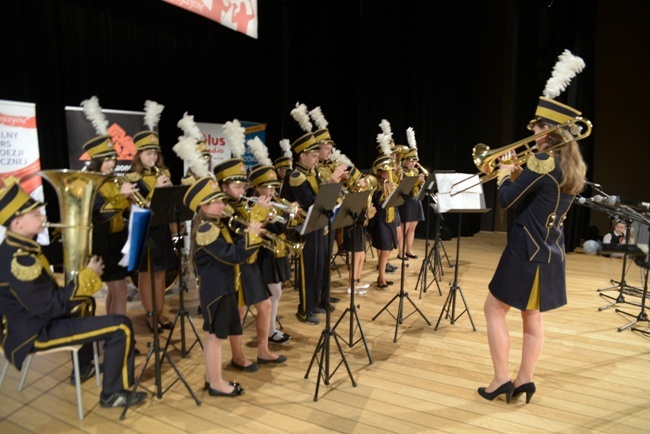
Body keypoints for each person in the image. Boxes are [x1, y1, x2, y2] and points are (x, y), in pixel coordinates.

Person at [478, 96, 587, 404]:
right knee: (533, 316)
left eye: (537, 127)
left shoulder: (543, 161)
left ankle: (501, 379)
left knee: (493, 309)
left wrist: (502, 174)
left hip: (525, 249)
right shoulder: (568, 165)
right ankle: (525, 379)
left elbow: (507, 201)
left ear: (548, 131)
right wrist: (515, 172)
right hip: (550, 251)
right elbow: (536, 195)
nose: (533, 133)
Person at [0, 181, 147, 408]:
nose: (42, 216)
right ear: (17, 222)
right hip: (34, 332)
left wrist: (84, 238)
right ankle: (113, 393)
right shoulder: (20, 260)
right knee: (122, 326)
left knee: (84, 303)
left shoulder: (17, 246)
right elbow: (51, 307)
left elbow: (51, 264)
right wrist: (87, 276)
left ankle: (84, 366)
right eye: (35, 213)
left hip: (30, 322)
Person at [184, 176, 264, 396]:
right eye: (217, 202)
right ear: (204, 206)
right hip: (217, 291)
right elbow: (234, 256)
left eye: (222, 200)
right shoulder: (206, 231)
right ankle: (216, 384)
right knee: (216, 338)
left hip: (222, 287)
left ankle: (214, 379)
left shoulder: (216, 224)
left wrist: (247, 234)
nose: (223, 205)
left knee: (215, 337)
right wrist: (251, 237)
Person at [213, 158, 287, 369]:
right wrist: (259, 213)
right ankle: (237, 356)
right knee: (239, 311)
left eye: (242, 186)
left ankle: (263, 350)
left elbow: (254, 230)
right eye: (236, 187)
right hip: (235, 267)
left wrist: (265, 220)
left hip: (250, 262)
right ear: (223, 186)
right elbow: (239, 231)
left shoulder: (241, 203)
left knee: (264, 305)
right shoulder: (222, 208)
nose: (241, 190)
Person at [125, 101, 176, 333]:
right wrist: (155, 187)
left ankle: (160, 312)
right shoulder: (131, 177)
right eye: (148, 153)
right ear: (139, 154)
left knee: (161, 273)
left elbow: (167, 203)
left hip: (162, 228)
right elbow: (139, 206)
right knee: (146, 276)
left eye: (155, 152)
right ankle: (149, 315)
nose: (153, 156)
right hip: (145, 230)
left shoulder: (164, 172)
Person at [84, 136, 138, 315]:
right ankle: (119, 336)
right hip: (102, 242)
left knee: (116, 292)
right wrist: (121, 197)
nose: (112, 163)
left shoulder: (113, 180)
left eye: (113, 158)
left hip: (117, 241)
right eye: (107, 159)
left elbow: (122, 212)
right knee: (120, 292)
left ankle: (112, 333)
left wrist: (131, 203)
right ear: (96, 161)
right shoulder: (89, 183)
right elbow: (100, 214)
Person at [249, 165, 293, 344]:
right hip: (263, 254)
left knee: (276, 291)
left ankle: (270, 329)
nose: (273, 190)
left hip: (276, 252)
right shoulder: (252, 205)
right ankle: (270, 331)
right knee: (273, 292)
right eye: (269, 187)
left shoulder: (275, 203)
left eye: (275, 186)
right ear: (258, 187)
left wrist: (289, 214)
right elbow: (272, 228)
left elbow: (282, 228)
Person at [370, 156, 399, 288]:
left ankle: (382, 276)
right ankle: (381, 277)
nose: (388, 173)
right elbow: (376, 201)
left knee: (388, 249)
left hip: (390, 217)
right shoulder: (375, 184)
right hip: (381, 219)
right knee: (384, 248)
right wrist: (384, 190)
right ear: (379, 172)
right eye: (385, 171)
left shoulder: (389, 182)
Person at [397, 147, 426, 260]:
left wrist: (421, 183)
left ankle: (409, 250)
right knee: (405, 228)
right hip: (406, 201)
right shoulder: (401, 171)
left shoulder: (415, 171)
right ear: (405, 160)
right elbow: (404, 187)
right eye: (411, 161)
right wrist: (416, 181)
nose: (414, 163)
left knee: (413, 227)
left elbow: (416, 187)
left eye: (415, 161)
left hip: (415, 199)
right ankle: (400, 252)